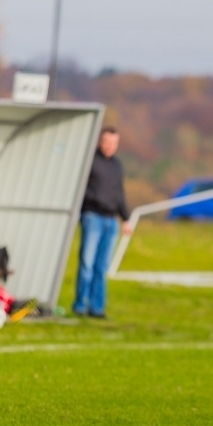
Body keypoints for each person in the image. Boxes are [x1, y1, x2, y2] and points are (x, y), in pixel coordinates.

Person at [72, 126, 132, 318]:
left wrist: (126, 218)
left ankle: (97, 308)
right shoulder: (90, 162)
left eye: (114, 143)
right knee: (87, 264)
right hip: (92, 217)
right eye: (107, 142)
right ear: (100, 142)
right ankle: (80, 305)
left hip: (110, 221)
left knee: (101, 267)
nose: (110, 146)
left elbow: (119, 193)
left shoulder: (117, 165)